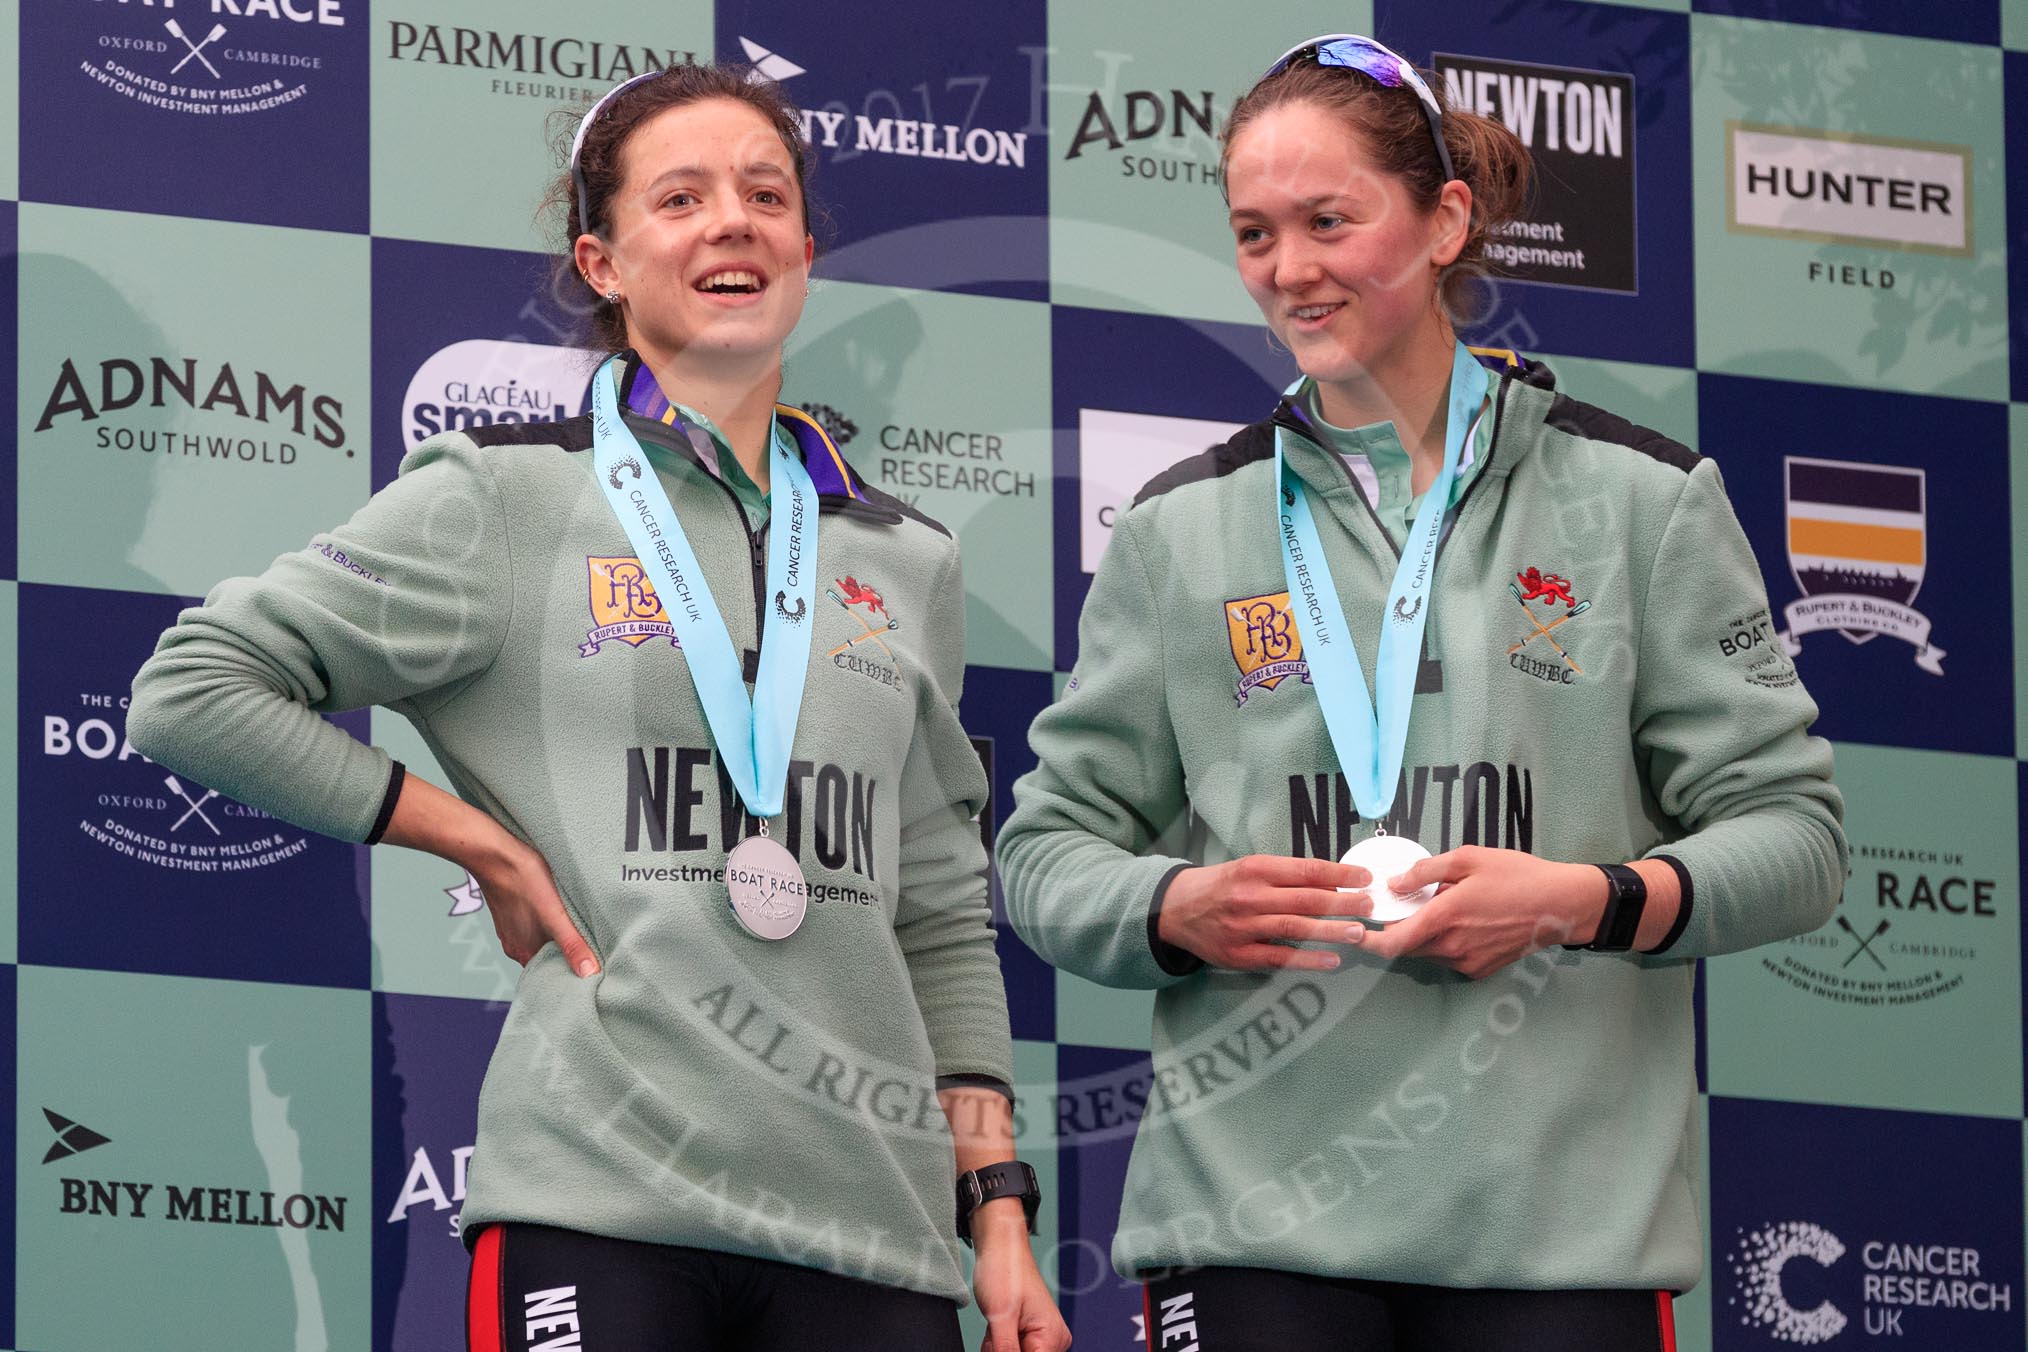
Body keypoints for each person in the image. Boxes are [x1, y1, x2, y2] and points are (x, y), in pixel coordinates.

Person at [128, 63, 1068, 1352]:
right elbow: (194, 690)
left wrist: (998, 1215)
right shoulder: (500, 502)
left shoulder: (905, 557)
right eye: (679, 198)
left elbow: (941, 919)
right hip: (602, 1203)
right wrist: (473, 837)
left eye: (764, 194)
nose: (731, 221)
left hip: (876, 1231)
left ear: (803, 247)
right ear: (605, 261)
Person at [999, 33, 1846, 1352]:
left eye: (1329, 221)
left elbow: (1797, 843)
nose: (1290, 269)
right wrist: (1178, 905)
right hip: (1251, 1230)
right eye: (1255, 233)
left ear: (1445, 219)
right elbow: (1045, 852)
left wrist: (1588, 899)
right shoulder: (1182, 529)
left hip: (1561, 1244)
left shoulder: (1643, 503)